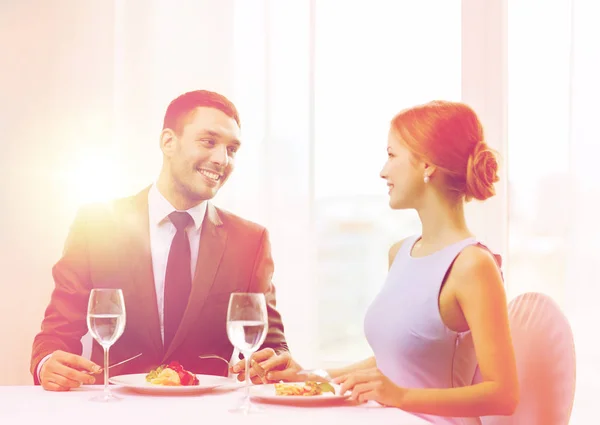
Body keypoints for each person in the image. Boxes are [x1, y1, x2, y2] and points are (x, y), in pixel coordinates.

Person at [238, 101, 519, 424]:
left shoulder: (473, 265)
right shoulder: (399, 253)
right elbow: (394, 363)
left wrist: (400, 396)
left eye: (392, 154)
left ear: (426, 165)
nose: (383, 171)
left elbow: (504, 394)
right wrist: (306, 375)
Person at [31, 90, 289, 391]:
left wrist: (276, 363)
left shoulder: (250, 241)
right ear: (168, 142)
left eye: (232, 149)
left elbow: (272, 347)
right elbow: (56, 335)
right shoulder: (96, 225)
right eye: (209, 141)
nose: (222, 159)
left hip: (207, 415)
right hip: (113, 411)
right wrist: (47, 363)